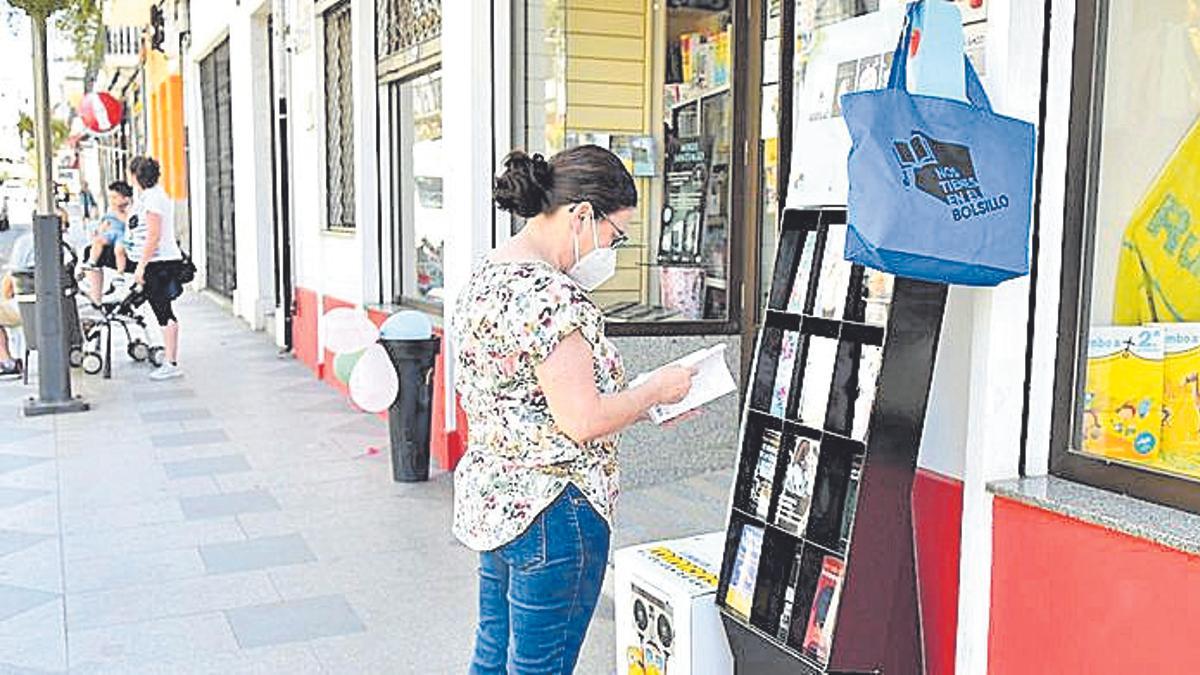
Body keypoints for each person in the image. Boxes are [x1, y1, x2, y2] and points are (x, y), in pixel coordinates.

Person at [453, 145, 696, 674]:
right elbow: (581, 420)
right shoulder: (553, 296)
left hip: (496, 502)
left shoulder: (486, 276)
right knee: (540, 666)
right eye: (616, 234)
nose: (612, 249)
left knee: (493, 655)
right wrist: (654, 390)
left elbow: (529, 400)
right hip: (554, 508)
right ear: (582, 214)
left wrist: (641, 402)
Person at [126, 156, 184, 381]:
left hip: (159, 262)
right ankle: (170, 360)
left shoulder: (152, 199)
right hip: (159, 260)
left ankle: (171, 362)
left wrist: (141, 266)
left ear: (135, 176)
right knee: (163, 309)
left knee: (163, 310)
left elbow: (153, 235)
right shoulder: (153, 196)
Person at [80, 180, 133, 305]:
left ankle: (118, 275)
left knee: (118, 249)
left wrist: (118, 213)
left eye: (115, 197)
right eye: (111, 198)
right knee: (93, 247)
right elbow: (104, 225)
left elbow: (131, 225)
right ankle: (91, 265)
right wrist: (99, 232)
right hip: (111, 236)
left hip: (126, 242)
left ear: (125, 198)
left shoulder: (131, 210)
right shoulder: (111, 211)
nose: (112, 201)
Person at [0, 228, 35, 378]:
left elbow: (10, 282)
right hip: (57, 308)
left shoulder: (26, 242)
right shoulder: (67, 246)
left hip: (28, 307)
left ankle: (6, 361)